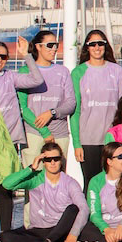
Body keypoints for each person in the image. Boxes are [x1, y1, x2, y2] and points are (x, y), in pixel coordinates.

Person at [0, 37, 44, 242]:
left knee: (6, 188)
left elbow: (36, 79)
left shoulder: (11, 77)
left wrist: (26, 54)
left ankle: (6, 237)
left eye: (3, 56)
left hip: (9, 142)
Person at [0, 142, 87, 242]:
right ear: (43, 162)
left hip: (60, 229)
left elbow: (83, 208)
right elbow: (7, 184)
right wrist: (31, 168)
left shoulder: (70, 182)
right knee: (6, 237)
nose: (52, 163)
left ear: (61, 160)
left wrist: (73, 234)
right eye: (48, 159)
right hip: (38, 230)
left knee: (73, 209)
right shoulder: (35, 179)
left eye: (56, 159)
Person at [69, 29, 122, 186]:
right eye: (92, 44)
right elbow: (75, 112)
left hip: (112, 138)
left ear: (105, 46)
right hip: (88, 140)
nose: (97, 47)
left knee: (114, 183)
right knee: (91, 183)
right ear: (87, 47)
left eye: (100, 43)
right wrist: (76, 144)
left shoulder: (116, 71)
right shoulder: (78, 73)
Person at [17, 30, 77, 178]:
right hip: (33, 134)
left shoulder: (63, 72)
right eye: (50, 45)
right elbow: (22, 108)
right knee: (33, 180)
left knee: (58, 180)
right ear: (38, 47)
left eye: (56, 45)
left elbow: (71, 103)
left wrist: (52, 112)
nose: (54, 49)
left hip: (60, 134)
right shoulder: (25, 71)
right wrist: (44, 131)